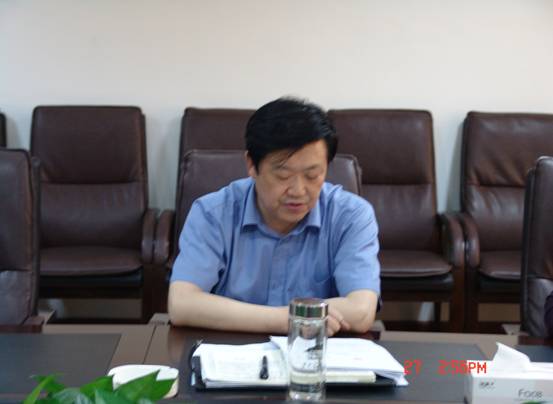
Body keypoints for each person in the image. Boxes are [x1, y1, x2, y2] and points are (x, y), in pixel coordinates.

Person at [168, 97, 380, 336]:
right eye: (283, 175)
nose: (298, 191)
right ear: (252, 165)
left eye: (312, 175)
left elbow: (361, 311)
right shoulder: (212, 214)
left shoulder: (351, 216)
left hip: (315, 352)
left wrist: (287, 318)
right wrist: (286, 319)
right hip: (231, 350)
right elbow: (182, 304)